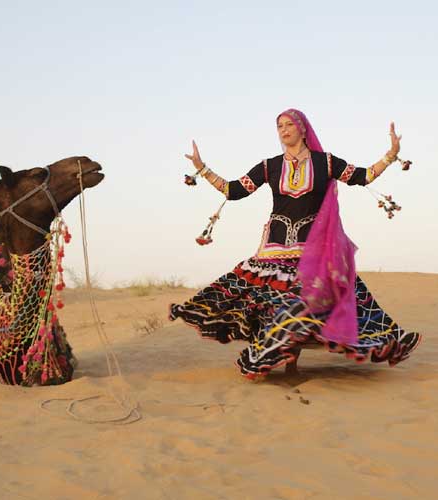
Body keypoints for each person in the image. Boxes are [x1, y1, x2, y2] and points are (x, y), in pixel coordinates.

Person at [169, 108, 421, 378]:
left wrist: (392, 154)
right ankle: (280, 360)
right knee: (270, 304)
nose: (284, 129)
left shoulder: (325, 162)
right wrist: (202, 167)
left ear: (303, 129)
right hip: (273, 251)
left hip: (314, 251)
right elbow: (233, 191)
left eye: (290, 124)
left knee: (310, 302)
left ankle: (284, 357)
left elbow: (363, 176)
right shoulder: (269, 166)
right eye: (279, 126)